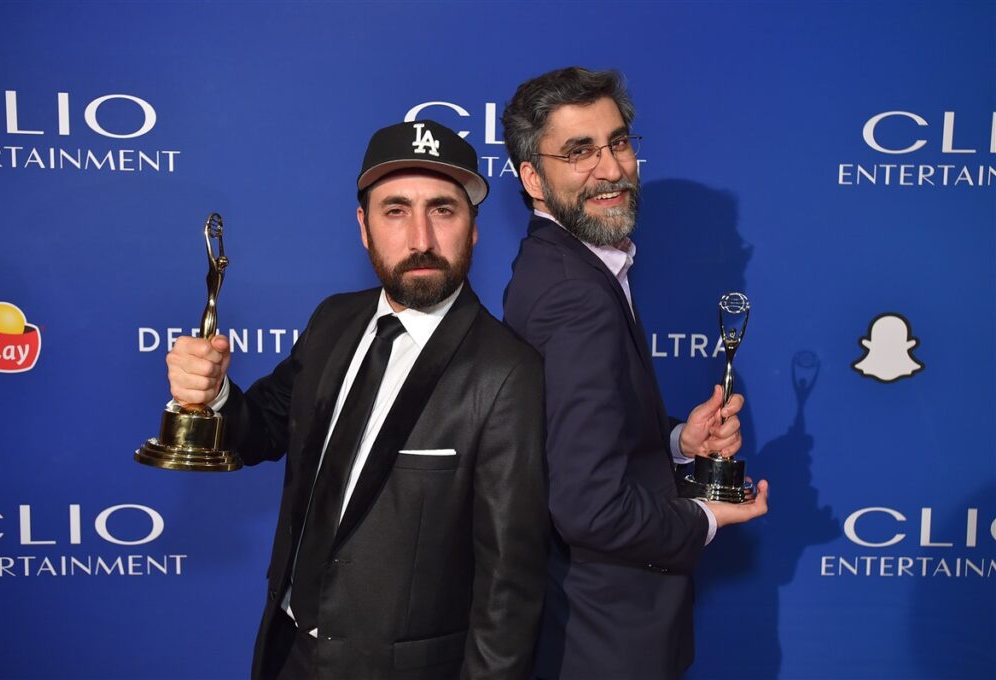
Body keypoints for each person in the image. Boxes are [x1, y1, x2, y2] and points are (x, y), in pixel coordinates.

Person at [166, 120, 548, 680]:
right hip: (287, 652)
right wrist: (213, 393)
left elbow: (508, 590)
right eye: (395, 210)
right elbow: (261, 430)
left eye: (443, 210)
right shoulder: (334, 319)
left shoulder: (507, 372)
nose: (421, 238)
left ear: (473, 230)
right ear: (364, 227)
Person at [501, 67, 769, 680]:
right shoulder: (575, 293)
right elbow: (590, 506)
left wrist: (678, 441)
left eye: (617, 142)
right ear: (533, 179)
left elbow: (569, 438)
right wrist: (705, 516)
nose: (611, 169)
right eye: (579, 152)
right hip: (605, 637)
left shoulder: (570, 264)